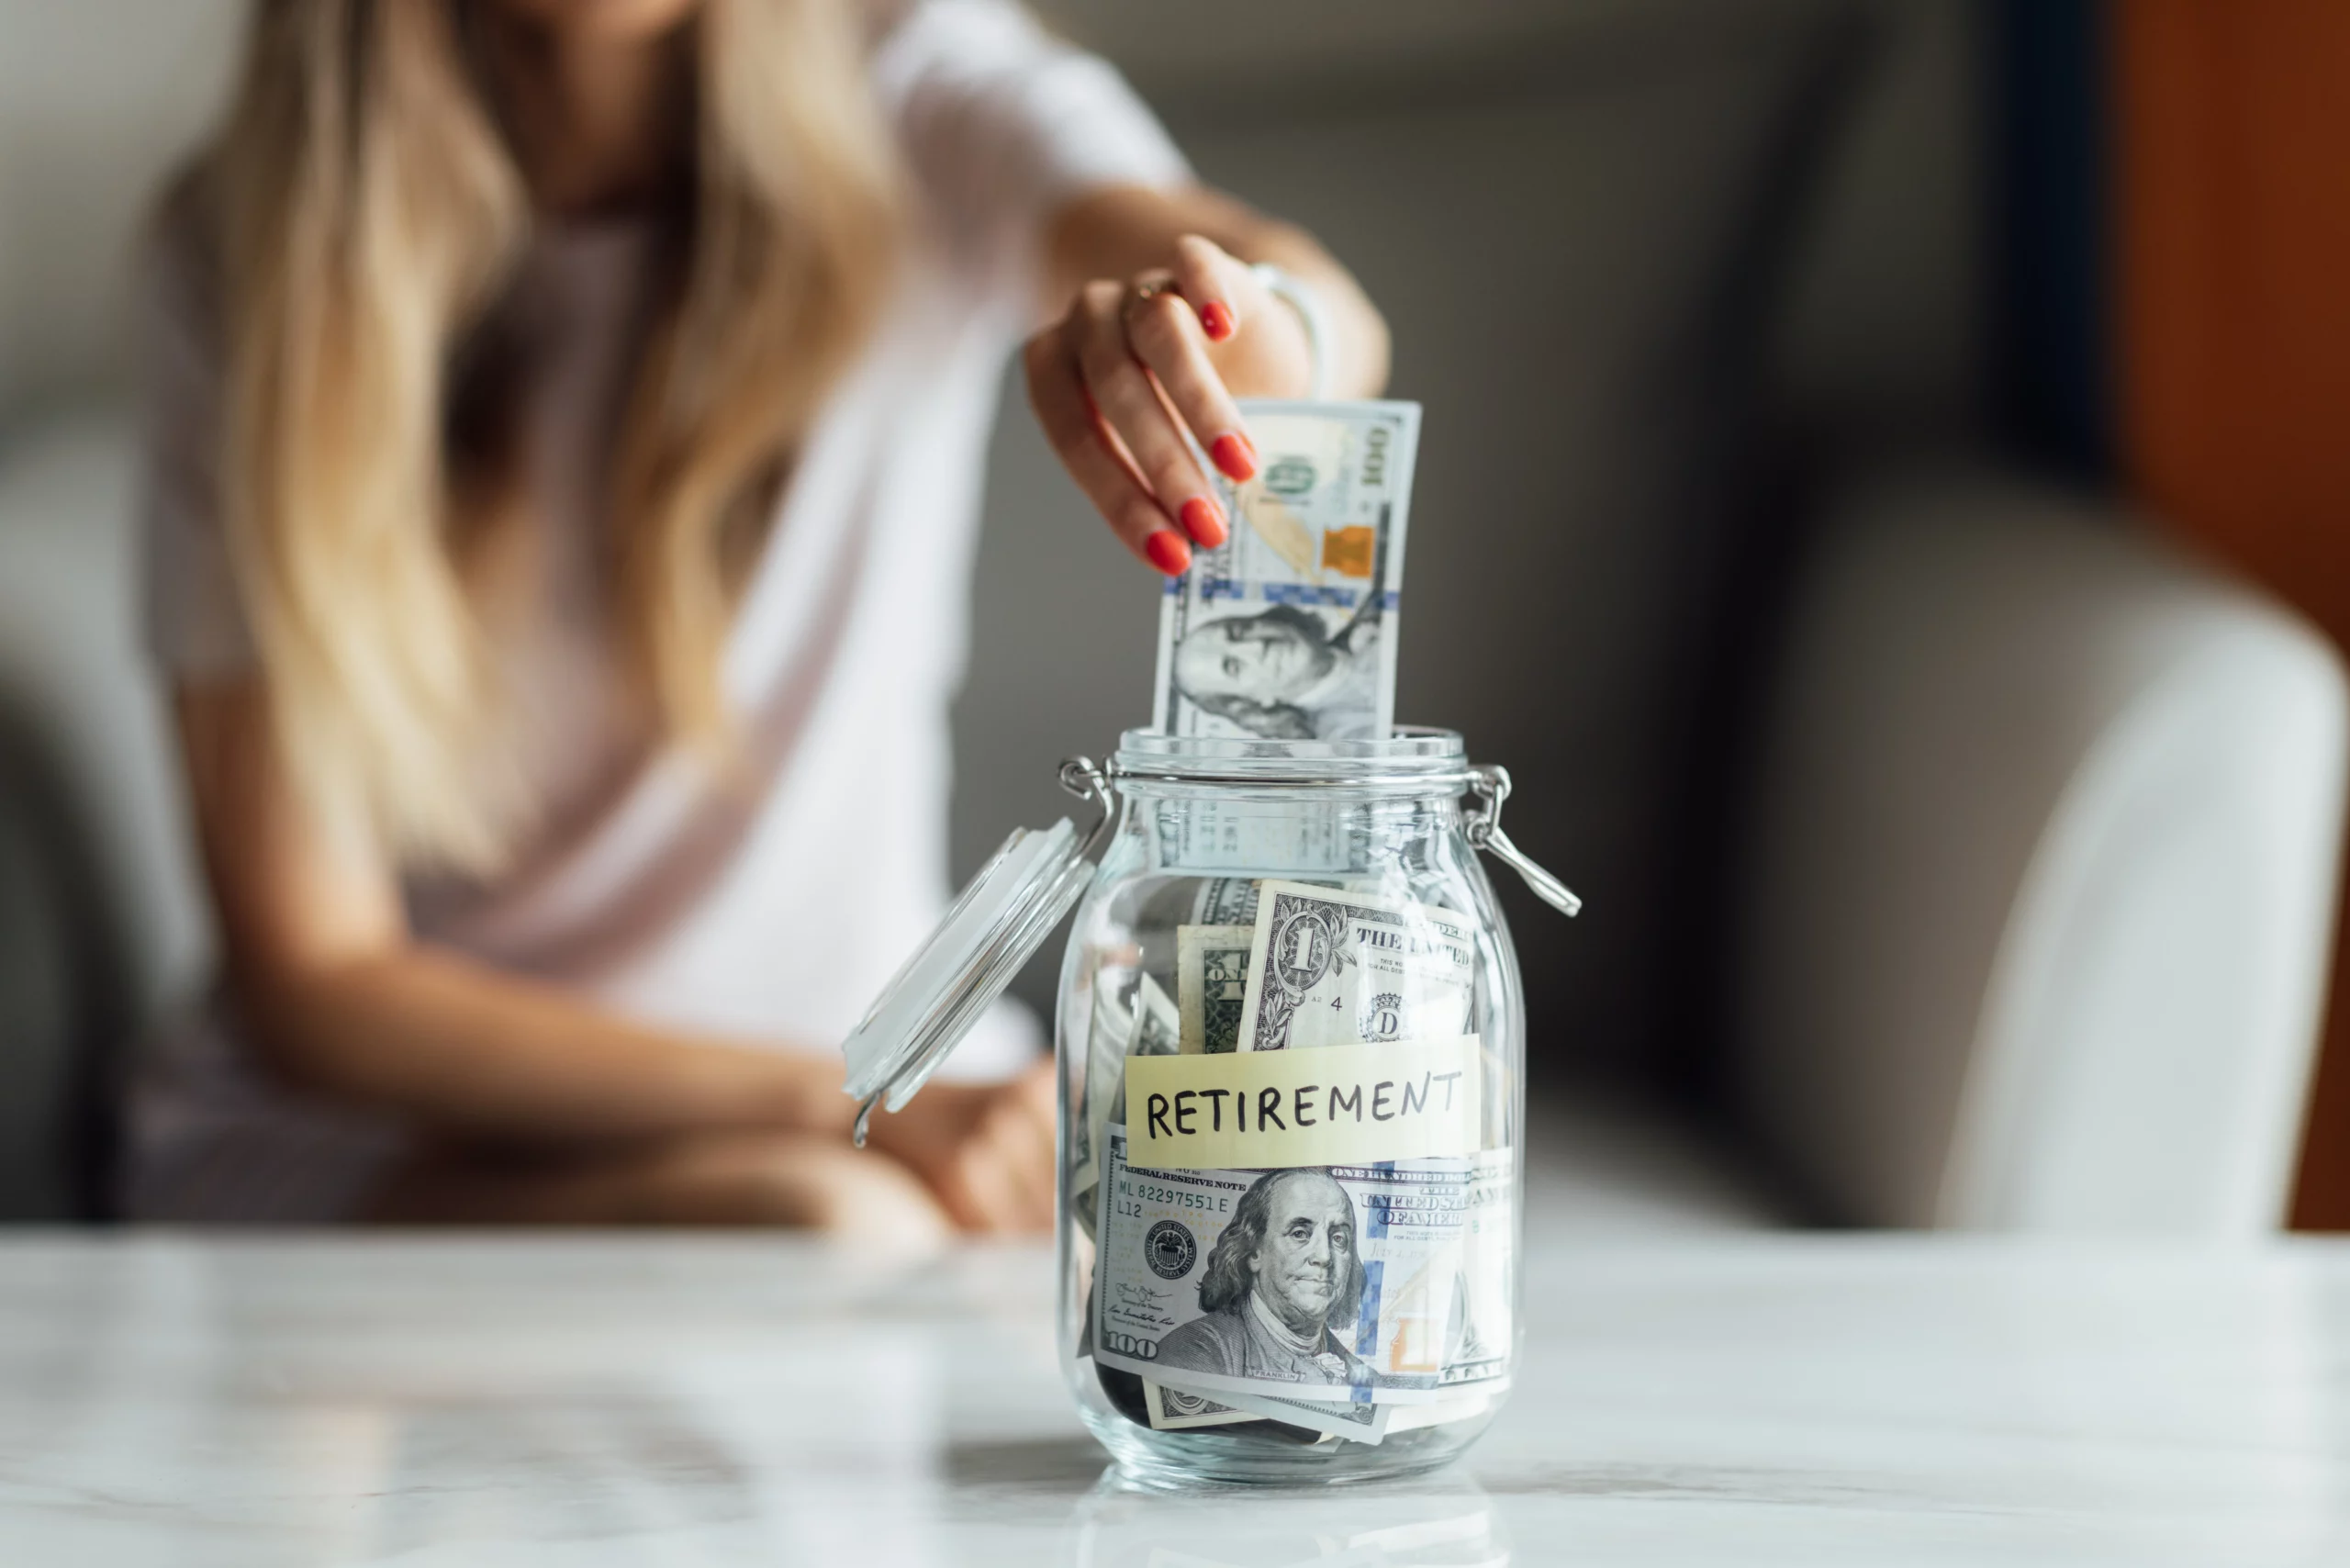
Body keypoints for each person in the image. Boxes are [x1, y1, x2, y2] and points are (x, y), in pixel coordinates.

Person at [124, 0, 1389, 1232]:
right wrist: (850, 1096)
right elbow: (318, 979)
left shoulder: (920, 84)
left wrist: (1229, 344)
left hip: (891, 1114)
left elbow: (1297, 310)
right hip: (400, 1134)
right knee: (830, 1221)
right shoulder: (245, 251)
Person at [1155, 1169, 1377, 1386]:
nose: (1324, 1256)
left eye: (1339, 1238)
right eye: (1299, 1234)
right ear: (1253, 1251)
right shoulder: (1194, 1351)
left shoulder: (1368, 1381)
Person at [1170, 599, 1382, 741]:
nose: (1256, 646)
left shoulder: (1379, 607)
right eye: (1234, 667)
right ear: (1255, 703)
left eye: (1238, 632)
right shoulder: (1348, 740)